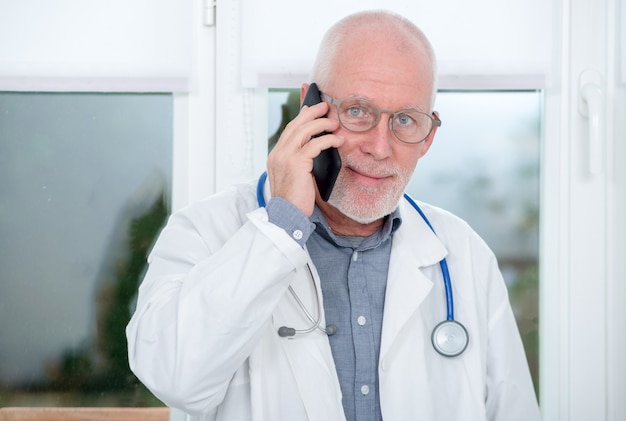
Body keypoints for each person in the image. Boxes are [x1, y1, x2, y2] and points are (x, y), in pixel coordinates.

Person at [126, 9, 540, 421]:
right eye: (358, 111)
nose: (380, 147)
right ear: (310, 109)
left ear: (428, 137)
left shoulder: (464, 254)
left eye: (405, 120)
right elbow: (172, 378)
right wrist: (280, 228)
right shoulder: (205, 230)